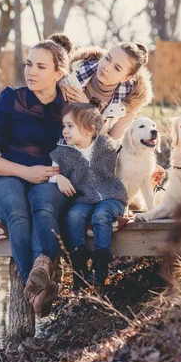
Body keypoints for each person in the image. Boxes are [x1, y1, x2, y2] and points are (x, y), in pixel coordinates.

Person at [0, 33, 73, 317]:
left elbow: (90, 146)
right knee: (19, 212)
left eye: (41, 67)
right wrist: (26, 172)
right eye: (29, 64)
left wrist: (83, 107)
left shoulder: (69, 107)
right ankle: (39, 288)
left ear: (59, 73)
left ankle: (42, 268)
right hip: (6, 178)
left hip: (51, 177)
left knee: (44, 207)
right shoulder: (11, 99)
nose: (31, 72)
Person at [49, 103, 127, 289]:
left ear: (89, 129)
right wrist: (59, 178)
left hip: (112, 197)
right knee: (73, 216)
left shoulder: (106, 145)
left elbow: (129, 157)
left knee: (101, 215)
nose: (65, 131)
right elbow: (51, 173)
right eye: (64, 125)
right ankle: (79, 270)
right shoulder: (62, 152)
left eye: (70, 126)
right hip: (83, 199)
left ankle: (100, 268)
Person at [61, 42, 154, 140]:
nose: (106, 67)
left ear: (126, 78)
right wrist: (56, 84)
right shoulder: (71, 72)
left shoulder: (127, 106)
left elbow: (111, 148)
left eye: (117, 68)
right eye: (107, 58)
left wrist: (89, 111)